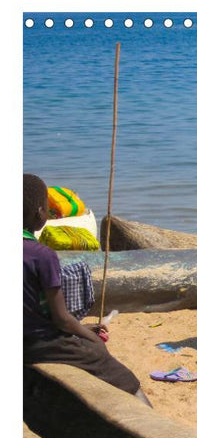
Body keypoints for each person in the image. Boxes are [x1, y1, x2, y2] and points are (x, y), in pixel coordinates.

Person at [23, 174, 151, 406]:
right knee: (108, 362)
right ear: (39, 213)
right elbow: (61, 320)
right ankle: (151, 421)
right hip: (38, 345)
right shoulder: (42, 256)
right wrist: (89, 335)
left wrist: (79, 327)